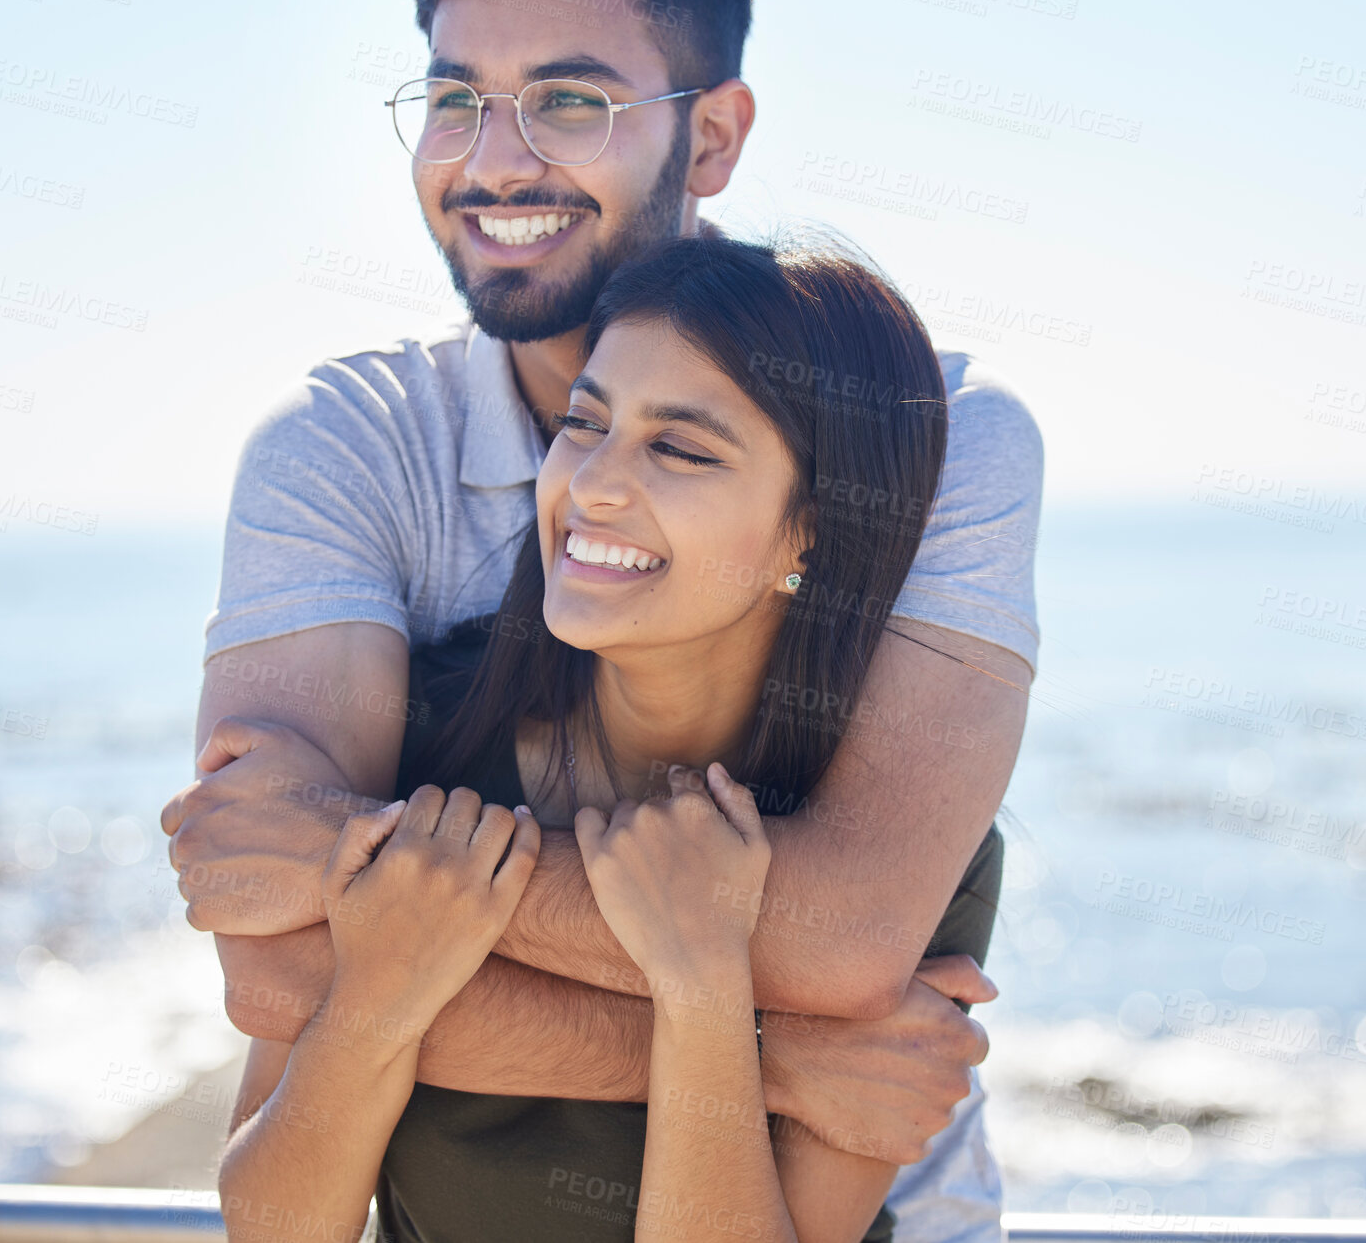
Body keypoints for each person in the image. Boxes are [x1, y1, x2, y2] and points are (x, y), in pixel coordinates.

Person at [161, 0, 1041, 1242]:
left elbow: (849, 935)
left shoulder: (924, 425)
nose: (493, 156)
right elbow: (272, 971)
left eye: (568, 98)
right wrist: (773, 1057)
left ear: (708, 137)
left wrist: (357, 862)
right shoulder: (345, 443)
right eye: (454, 98)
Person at [217, 231, 1005, 1243]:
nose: (590, 486)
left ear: (811, 532)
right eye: (583, 425)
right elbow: (274, 1229)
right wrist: (379, 985)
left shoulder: (893, 860)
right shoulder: (422, 744)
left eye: (678, 447)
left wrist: (703, 980)